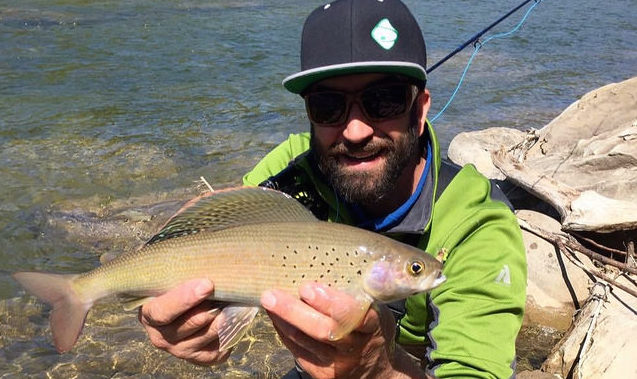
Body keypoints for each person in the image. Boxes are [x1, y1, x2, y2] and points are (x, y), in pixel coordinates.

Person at [138, 0, 527, 377]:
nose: (355, 131)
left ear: (420, 109)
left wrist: (380, 372)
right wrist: (159, 310)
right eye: (328, 105)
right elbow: (192, 241)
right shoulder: (290, 173)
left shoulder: (476, 225)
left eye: (384, 100)